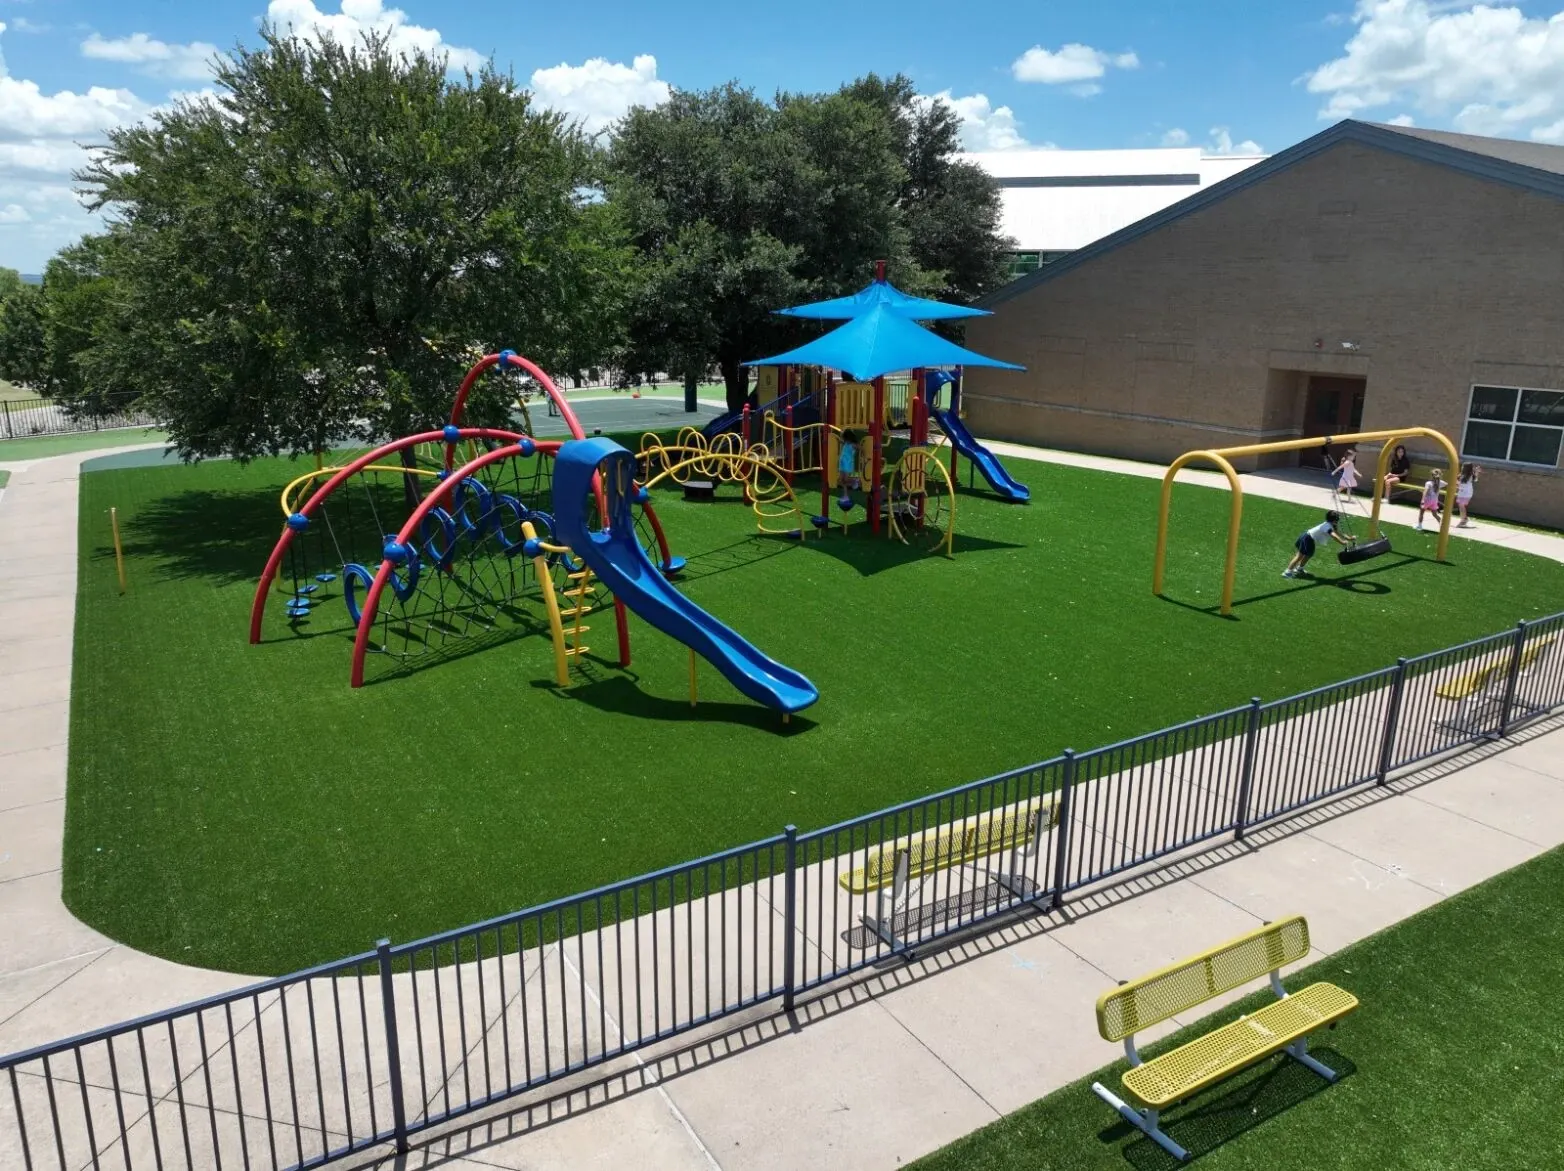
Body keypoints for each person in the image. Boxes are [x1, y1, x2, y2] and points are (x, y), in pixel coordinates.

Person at [1284, 511, 1353, 578]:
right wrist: (1342, 542)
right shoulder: (1327, 526)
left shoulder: (1331, 525)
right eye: (1337, 519)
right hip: (1307, 538)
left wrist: (1349, 538)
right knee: (1300, 556)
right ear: (1334, 520)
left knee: (1309, 554)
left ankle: (1299, 569)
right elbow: (1334, 536)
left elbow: (1338, 533)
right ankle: (1287, 572)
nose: (1338, 520)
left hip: (1309, 539)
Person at [1456, 463, 1480, 527]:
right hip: (1462, 492)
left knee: (1461, 505)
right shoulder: (1461, 475)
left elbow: (1475, 479)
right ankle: (1464, 519)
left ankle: (1464, 520)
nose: (1462, 467)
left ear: (1466, 468)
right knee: (1461, 505)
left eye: (1463, 466)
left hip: (1466, 493)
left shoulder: (1470, 475)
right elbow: (1458, 483)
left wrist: (1476, 472)